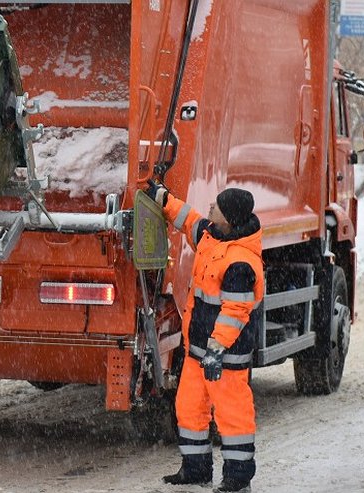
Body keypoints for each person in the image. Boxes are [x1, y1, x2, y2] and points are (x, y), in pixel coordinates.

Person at [149, 183, 263, 493]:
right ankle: (196, 470)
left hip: (224, 356)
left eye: (218, 206)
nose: (211, 208)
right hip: (198, 351)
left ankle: (238, 480)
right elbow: (189, 219)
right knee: (188, 408)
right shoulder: (212, 236)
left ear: (230, 217)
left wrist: (216, 350)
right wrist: (163, 199)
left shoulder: (240, 262)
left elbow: (235, 311)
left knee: (232, 417)